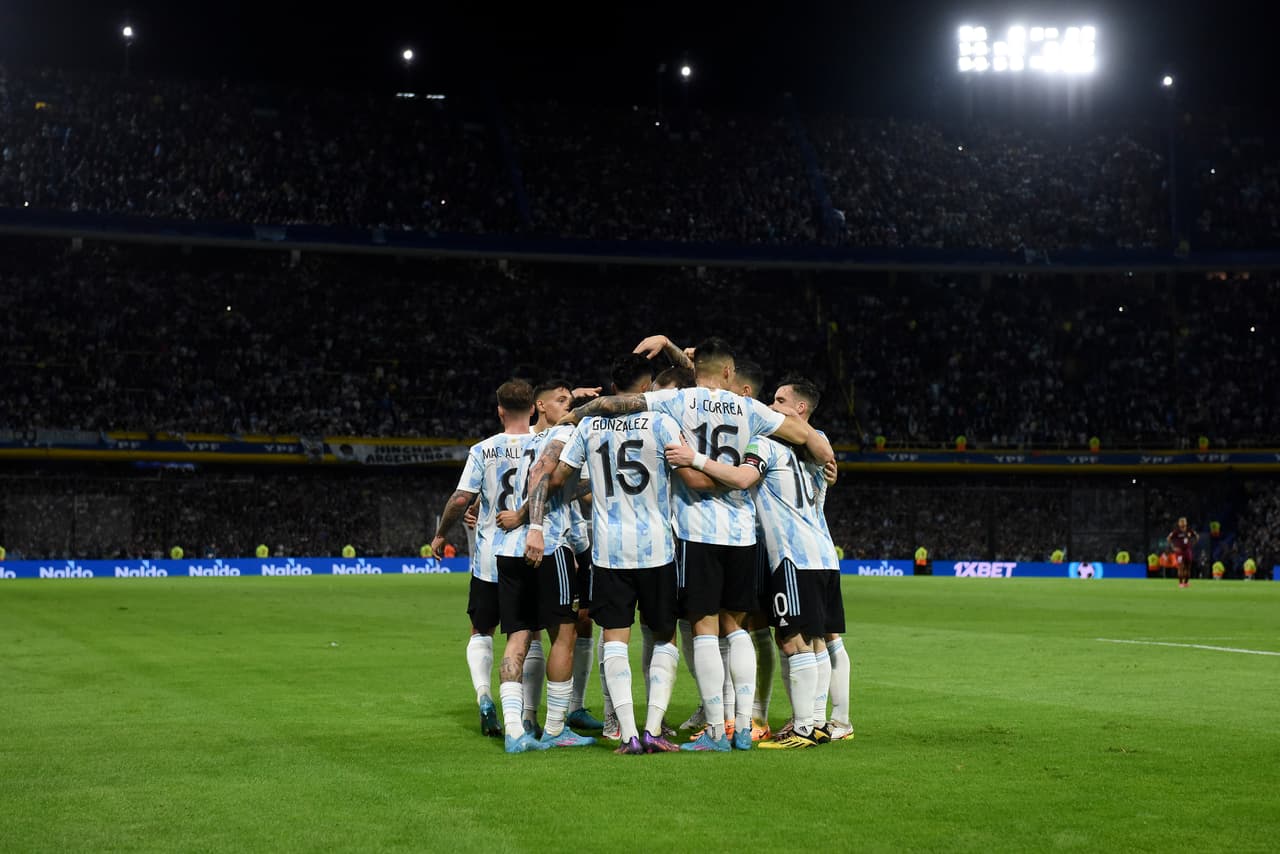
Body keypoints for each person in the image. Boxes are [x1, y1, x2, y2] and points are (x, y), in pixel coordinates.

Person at [567, 337, 834, 752]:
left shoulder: (677, 400)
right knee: (738, 628)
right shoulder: (751, 408)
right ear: (729, 372)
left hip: (695, 531)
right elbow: (811, 439)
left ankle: (714, 730)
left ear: (699, 369)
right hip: (743, 532)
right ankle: (743, 726)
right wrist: (827, 460)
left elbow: (622, 406)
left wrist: (579, 412)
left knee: (705, 628)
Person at [532, 354, 707, 754]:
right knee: (663, 637)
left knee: (614, 639)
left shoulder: (589, 426)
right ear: (646, 389)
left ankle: (626, 732)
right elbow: (688, 474)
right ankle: (653, 729)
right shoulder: (663, 422)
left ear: (612, 389)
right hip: (658, 549)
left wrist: (532, 511)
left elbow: (557, 478)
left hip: (609, 551)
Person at [666, 376, 845, 748]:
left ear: (798, 409)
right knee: (815, 641)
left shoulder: (764, 443)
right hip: (822, 553)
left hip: (791, 555)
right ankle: (818, 722)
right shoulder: (819, 447)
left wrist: (693, 458)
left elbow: (742, 478)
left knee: (791, 640)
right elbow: (825, 464)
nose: (772, 407)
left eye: (779, 402)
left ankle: (800, 728)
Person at [431, 379, 538, 745]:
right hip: (529, 553)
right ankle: (526, 714)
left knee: (481, 632)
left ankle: (484, 697)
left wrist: (442, 533)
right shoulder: (546, 445)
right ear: (534, 409)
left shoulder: (483, 449)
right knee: (526, 635)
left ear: (499, 411)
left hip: (489, 558)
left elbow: (462, 499)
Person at [491, 379, 597, 751]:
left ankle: (515, 731)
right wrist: (533, 524)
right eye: (562, 400)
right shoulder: (563, 435)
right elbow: (543, 480)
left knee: (518, 637)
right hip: (548, 548)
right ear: (540, 405)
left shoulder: (524, 442)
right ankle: (555, 728)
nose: (569, 405)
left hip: (508, 552)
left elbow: (557, 483)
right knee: (564, 635)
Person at [1167, 516, 1199, 588]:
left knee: (1188, 567)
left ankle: (1186, 582)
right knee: (1181, 567)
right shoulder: (1176, 531)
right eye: (1181, 522)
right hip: (1180, 552)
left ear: (1186, 523)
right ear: (1179, 523)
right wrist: (1173, 548)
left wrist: (1192, 544)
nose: (1183, 523)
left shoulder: (1189, 530)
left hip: (1187, 551)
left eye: (1184, 521)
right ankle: (1180, 583)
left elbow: (1196, 536)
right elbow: (1168, 538)